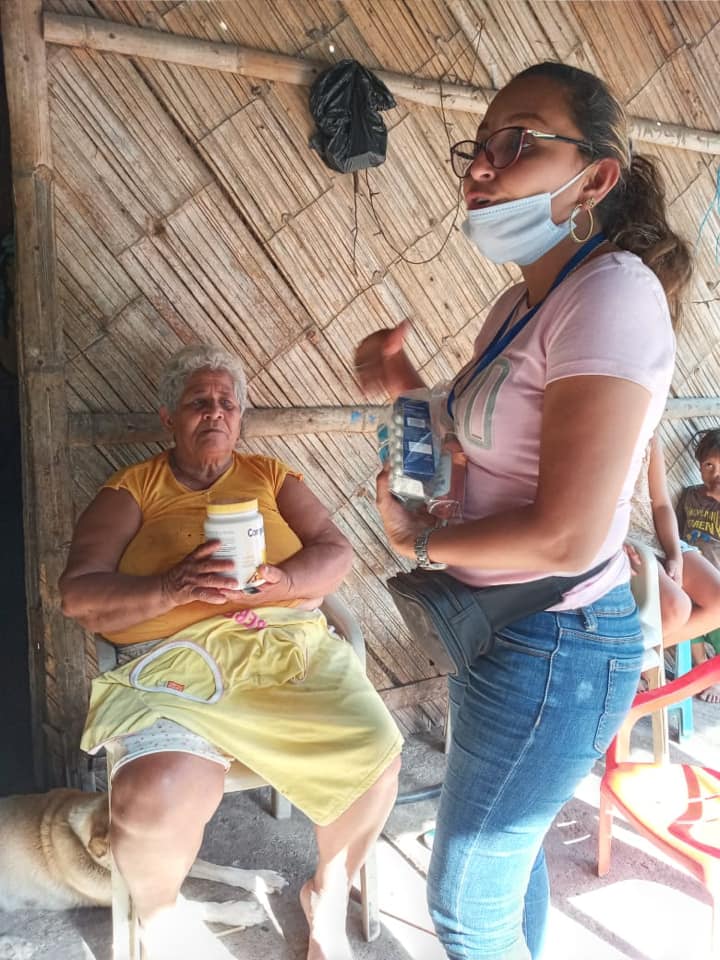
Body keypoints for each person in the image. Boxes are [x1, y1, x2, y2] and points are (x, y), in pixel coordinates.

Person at [354, 61, 691, 960]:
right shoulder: (522, 303)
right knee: (508, 861)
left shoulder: (612, 293)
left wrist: (424, 538)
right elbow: (477, 438)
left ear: (597, 177)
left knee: (465, 904)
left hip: (559, 640)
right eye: (477, 147)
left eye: (516, 143)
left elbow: (568, 535)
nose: (480, 166)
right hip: (505, 627)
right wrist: (400, 383)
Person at [60, 343, 402, 960]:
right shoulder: (132, 489)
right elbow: (78, 596)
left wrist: (285, 582)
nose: (215, 412)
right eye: (199, 402)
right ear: (169, 418)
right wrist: (172, 587)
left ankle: (327, 894)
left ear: (240, 417)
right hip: (176, 664)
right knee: (155, 792)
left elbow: (335, 551)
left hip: (281, 647)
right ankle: (161, 917)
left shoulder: (270, 475)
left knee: (375, 752)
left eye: (228, 403)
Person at [627, 430, 720, 701]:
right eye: (708, 465)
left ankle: (627, 659)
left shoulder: (649, 434)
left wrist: (674, 555)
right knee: (675, 608)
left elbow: (661, 505)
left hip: (657, 534)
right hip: (623, 536)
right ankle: (629, 663)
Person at [676, 428, 720, 696]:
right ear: (699, 466)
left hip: (717, 580)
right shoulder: (690, 496)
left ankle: (714, 673)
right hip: (691, 577)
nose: (716, 474)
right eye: (709, 465)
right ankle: (702, 669)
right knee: (690, 624)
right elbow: (679, 531)